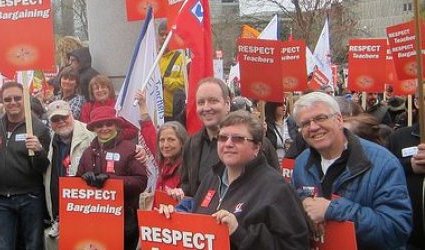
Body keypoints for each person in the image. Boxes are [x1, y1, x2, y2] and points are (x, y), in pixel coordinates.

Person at [158, 111, 310, 250]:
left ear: (256, 147)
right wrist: (176, 216)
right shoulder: (212, 177)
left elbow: (295, 246)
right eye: (223, 138)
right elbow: (197, 218)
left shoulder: (277, 189)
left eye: (238, 139)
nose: (228, 143)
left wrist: (240, 233)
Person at [291, 92, 412, 249]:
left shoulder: (382, 163)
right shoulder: (301, 163)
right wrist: (302, 205)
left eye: (321, 118)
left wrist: (332, 210)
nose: (313, 127)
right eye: (305, 123)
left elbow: (396, 229)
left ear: (339, 120)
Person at [0, 82, 51, 250]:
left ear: (25, 99)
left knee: (33, 245)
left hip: (30, 197)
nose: (13, 102)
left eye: (17, 98)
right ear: (2, 101)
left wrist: (38, 151)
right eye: (7, 99)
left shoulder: (39, 128)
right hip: (1, 199)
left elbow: (43, 167)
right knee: (5, 246)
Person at [76, 106, 147, 249]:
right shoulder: (87, 153)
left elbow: (141, 182)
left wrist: (112, 181)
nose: (104, 128)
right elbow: (76, 185)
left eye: (109, 124)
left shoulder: (130, 149)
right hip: (94, 224)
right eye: (99, 125)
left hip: (125, 223)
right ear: (94, 128)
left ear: (116, 125)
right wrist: (83, 179)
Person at [43, 100, 95, 240]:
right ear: (50, 123)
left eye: (64, 117)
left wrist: (137, 151)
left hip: (86, 206)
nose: (60, 122)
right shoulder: (50, 139)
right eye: (55, 119)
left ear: (71, 115)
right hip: (62, 208)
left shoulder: (90, 132)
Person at [387, 94, 424, 250]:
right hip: (409, 231)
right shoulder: (399, 137)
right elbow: (385, 171)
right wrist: (410, 165)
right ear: (417, 103)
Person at [137, 91, 188, 191]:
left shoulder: (189, 167)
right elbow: (149, 132)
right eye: (162, 140)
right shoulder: (163, 161)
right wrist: (142, 104)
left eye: (171, 140)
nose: (165, 145)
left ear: (182, 142)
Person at [80, 75, 138, 140]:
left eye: (103, 87)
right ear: (92, 92)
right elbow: (85, 130)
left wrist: (114, 136)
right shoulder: (87, 108)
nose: (100, 90)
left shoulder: (120, 106)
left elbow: (133, 130)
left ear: (109, 89)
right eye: (96, 88)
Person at [157, 20, 186, 122]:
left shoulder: (181, 58)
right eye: (161, 34)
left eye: (167, 34)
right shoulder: (155, 59)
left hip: (175, 113)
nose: (164, 37)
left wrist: (164, 81)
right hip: (158, 113)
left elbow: (184, 83)